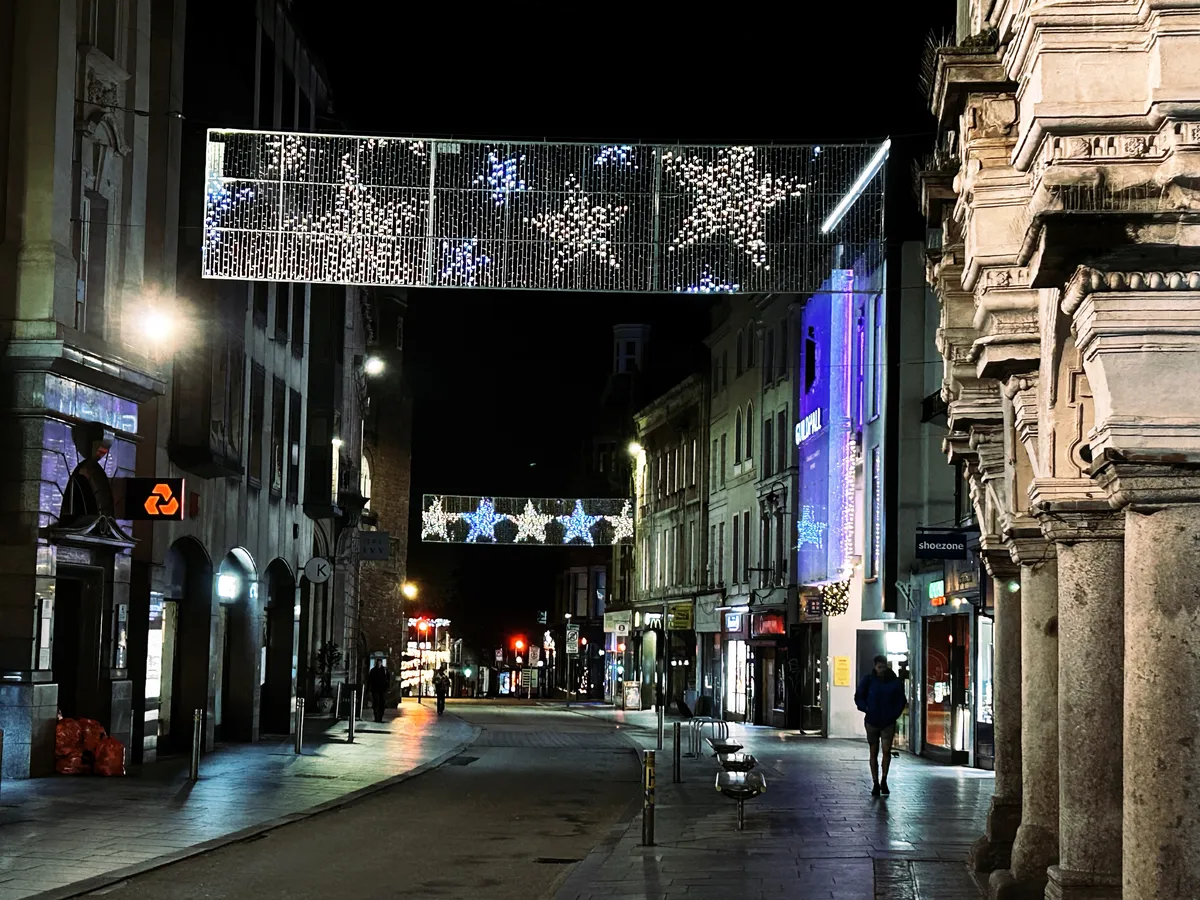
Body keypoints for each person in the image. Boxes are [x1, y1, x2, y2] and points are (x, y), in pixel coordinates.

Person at [854, 655, 908, 797]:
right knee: (875, 751)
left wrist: (892, 714)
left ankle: (882, 780)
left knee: (884, 751)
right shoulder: (872, 680)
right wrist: (866, 708)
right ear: (875, 667)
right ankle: (876, 782)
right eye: (879, 667)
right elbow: (859, 696)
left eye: (883, 667)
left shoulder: (891, 682)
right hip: (874, 720)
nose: (882, 670)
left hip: (884, 721)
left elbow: (901, 700)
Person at [367, 658, 390, 723]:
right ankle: (376, 717)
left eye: (380, 663)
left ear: (381, 663)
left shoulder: (385, 670)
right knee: (376, 703)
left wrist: (388, 688)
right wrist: (368, 689)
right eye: (378, 663)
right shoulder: (373, 670)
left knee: (382, 703)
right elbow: (369, 680)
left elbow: (388, 679)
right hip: (375, 689)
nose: (379, 664)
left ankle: (380, 716)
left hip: (383, 689)